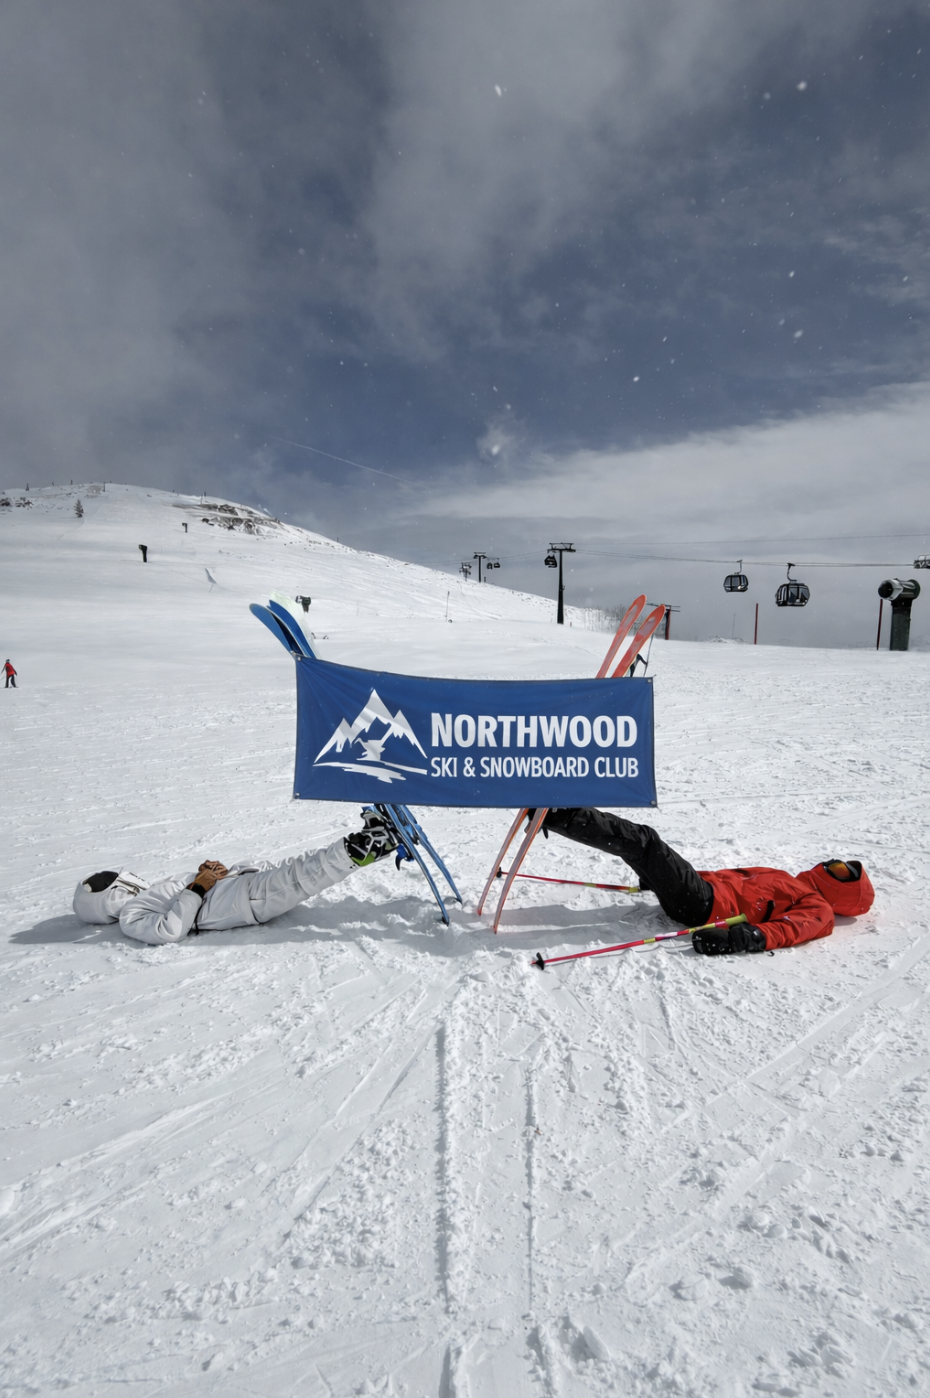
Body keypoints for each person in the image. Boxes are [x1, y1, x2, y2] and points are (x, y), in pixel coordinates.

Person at [533, 808, 874, 954]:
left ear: (843, 894)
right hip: (699, 890)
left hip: (704, 907)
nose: (833, 865)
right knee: (640, 850)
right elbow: (733, 881)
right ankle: (561, 815)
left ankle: (560, 814)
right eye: (840, 863)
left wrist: (740, 938)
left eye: (842, 872)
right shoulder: (786, 878)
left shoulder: (820, 909)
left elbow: (790, 930)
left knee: (645, 842)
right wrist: (660, 878)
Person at [72, 811, 398, 946]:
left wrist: (214, 873)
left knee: (301, 867)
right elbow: (169, 930)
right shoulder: (130, 917)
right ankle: (371, 843)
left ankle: (372, 846)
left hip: (240, 886)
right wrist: (201, 884)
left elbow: (195, 894)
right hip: (242, 902)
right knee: (303, 876)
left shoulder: (146, 896)